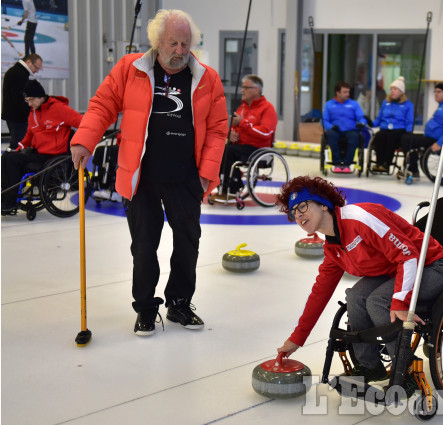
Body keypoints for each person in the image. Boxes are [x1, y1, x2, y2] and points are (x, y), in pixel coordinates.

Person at [69, 9, 228, 336]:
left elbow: (217, 129)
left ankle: (180, 303)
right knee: (143, 246)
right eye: (173, 43)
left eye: (185, 44)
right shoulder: (131, 69)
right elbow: (102, 105)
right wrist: (85, 140)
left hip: (186, 177)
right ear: (157, 42)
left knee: (188, 243)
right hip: (141, 176)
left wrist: (205, 174)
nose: (180, 51)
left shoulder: (206, 77)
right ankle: (145, 308)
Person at [274, 176, 443, 393]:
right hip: (396, 271)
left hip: (433, 266)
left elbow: (408, 255)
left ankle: (405, 370)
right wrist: (297, 338)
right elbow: (319, 293)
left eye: (303, 205)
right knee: (355, 297)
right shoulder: (333, 249)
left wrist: (399, 302)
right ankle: (370, 367)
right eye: (293, 211)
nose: (298, 214)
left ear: (324, 204)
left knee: (379, 301)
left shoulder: (360, 219)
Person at [1, 79, 82, 214]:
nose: (29, 103)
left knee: (13, 161)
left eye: (31, 100)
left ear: (40, 96)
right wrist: (20, 146)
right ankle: (5, 196)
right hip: (38, 152)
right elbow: (29, 135)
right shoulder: (34, 112)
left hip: (53, 155)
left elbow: (82, 122)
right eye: (27, 100)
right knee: (7, 156)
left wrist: (78, 142)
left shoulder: (59, 109)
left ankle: (11, 200)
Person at [209, 74, 277, 202]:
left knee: (227, 151)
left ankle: (232, 189)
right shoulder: (242, 108)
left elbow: (266, 133)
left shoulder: (268, 109)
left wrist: (242, 123)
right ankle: (223, 188)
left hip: (258, 149)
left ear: (256, 90)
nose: (242, 90)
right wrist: (231, 133)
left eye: (246, 87)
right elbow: (235, 127)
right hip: (240, 146)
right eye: (242, 87)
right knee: (217, 148)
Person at [399, 82, 443, 180]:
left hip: (435, 140)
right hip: (429, 137)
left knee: (407, 139)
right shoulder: (442, 106)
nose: (436, 94)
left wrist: (440, 143)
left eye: (439, 92)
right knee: (407, 137)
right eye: (435, 91)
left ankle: (413, 170)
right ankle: (411, 167)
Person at [371, 76, 414, 172]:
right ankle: (379, 163)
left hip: (399, 129)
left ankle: (386, 164)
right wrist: (371, 124)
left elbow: (409, 121)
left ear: (401, 92)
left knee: (391, 137)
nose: (392, 91)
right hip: (385, 128)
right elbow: (379, 118)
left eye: (395, 89)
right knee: (379, 136)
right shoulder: (385, 102)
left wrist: (409, 132)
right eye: (391, 89)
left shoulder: (408, 104)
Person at [322, 81, 367, 173]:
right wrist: (330, 127)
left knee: (354, 137)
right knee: (331, 135)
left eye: (348, 92)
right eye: (345, 92)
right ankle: (337, 162)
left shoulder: (354, 104)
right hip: (335, 129)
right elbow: (324, 120)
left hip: (350, 129)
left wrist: (362, 123)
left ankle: (347, 163)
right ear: (337, 93)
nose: (348, 94)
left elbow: (361, 118)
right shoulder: (329, 104)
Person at [1, 53, 43, 149]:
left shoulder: (17, 72)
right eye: (36, 67)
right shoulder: (18, 74)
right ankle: (6, 162)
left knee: (16, 144)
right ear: (28, 62)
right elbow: (19, 98)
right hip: (17, 117)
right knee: (18, 146)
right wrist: (30, 112)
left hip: (13, 116)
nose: (36, 71)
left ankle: (7, 161)